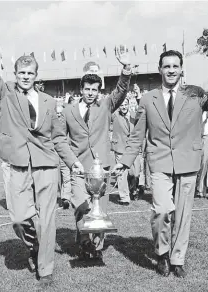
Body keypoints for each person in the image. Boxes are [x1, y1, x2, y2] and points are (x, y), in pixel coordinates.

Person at [0, 11, 84, 288]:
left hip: (46, 164)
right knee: (19, 219)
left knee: (47, 220)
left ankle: (46, 269)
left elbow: (58, 138)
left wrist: (73, 162)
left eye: (30, 73)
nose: (26, 77)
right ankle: (33, 247)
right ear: (15, 74)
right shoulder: (6, 92)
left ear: (36, 75)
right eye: (21, 73)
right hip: (17, 163)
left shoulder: (47, 101)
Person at [113, 50, 208, 278]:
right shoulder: (148, 98)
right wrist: (126, 161)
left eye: (175, 66)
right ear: (160, 69)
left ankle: (177, 259)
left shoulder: (195, 94)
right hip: (159, 163)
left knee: (183, 214)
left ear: (181, 69)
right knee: (161, 211)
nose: (171, 70)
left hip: (188, 163)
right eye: (166, 66)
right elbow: (138, 134)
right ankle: (162, 253)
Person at [61, 46, 133, 260]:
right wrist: (71, 161)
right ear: (80, 89)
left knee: (100, 210)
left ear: (99, 90)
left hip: (102, 169)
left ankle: (97, 247)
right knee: (83, 206)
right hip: (79, 169)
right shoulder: (68, 111)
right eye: (87, 89)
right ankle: (84, 242)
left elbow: (120, 90)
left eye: (94, 89)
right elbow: (61, 140)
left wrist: (126, 68)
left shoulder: (106, 105)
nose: (90, 93)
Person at [111, 98, 140, 204]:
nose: (123, 107)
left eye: (125, 105)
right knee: (121, 174)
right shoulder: (115, 115)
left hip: (133, 149)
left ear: (129, 105)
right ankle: (124, 198)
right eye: (121, 105)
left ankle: (134, 189)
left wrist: (138, 96)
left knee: (135, 173)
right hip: (120, 148)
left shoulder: (134, 115)